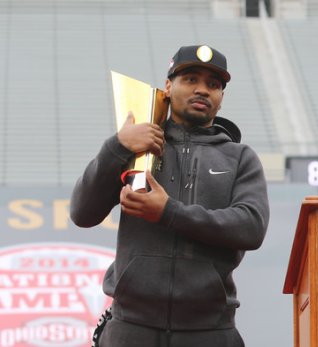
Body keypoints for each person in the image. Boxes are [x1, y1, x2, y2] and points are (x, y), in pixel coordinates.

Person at [71, 45, 269, 347]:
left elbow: (251, 227)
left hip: (211, 331)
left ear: (221, 97)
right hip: (131, 328)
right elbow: (82, 214)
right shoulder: (135, 147)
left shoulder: (240, 157)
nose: (202, 90)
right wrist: (117, 146)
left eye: (213, 85)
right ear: (168, 86)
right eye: (190, 79)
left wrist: (169, 212)